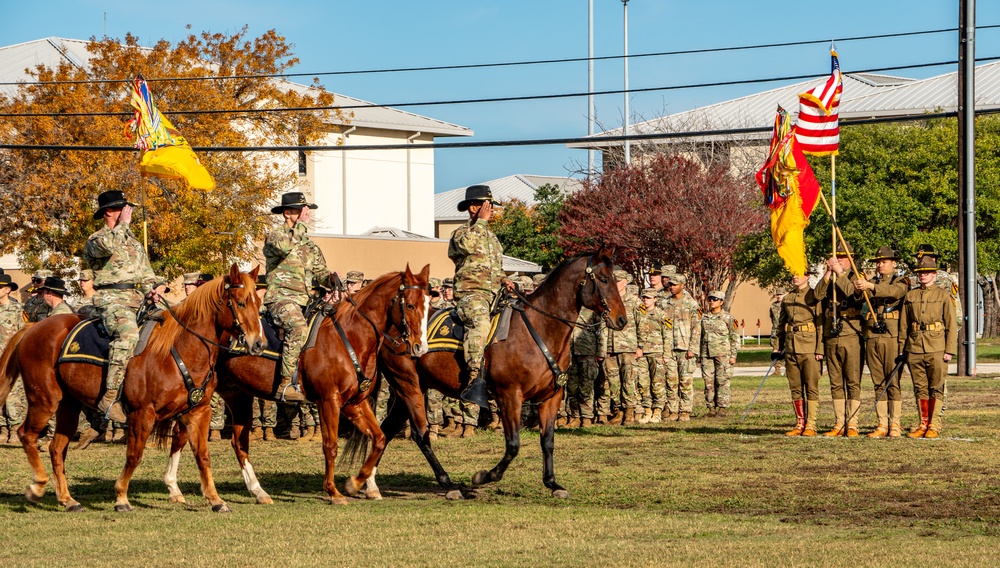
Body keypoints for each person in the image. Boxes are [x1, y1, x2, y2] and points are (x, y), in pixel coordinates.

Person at [83, 190, 158, 423]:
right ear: (109, 212)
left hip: (138, 298)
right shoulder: (96, 239)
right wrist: (123, 225)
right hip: (111, 299)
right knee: (127, 336)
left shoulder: (134, 243)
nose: (128, 213)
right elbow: (109, 246)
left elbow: (146, 274)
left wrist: (154, 289)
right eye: (123, 209)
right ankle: (110, 397)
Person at [447, 184, 513, 408]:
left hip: (495, 294)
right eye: (488, 205)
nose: (492, 209)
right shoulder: (461, 233)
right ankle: (475, 376)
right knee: (481, 322)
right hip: (471, 294)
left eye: (492, 206)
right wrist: (481, 221)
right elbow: (467, 246)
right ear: (474, 207)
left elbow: (496, 267)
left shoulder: (492, 238)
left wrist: (506, 280)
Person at [263, 191, 332, 403]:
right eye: (300, 210)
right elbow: (285, 247)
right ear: (287, 213)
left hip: (306, 301)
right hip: (280, 299)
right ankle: (286, 384)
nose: (305, 214)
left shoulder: (309, 245)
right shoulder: (276, 236)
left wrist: (332, 280)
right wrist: (300, 225)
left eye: (306, 210)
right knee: (299, 328)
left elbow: (321, 272)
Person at [899, 255, 958, 438]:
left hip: (937, 346)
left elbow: (951, 324)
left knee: (936, 387)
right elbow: (904, 325)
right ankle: (923, 423)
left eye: (926, 273)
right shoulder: (911, 296)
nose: (923, 276)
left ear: (934, 274)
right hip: (915, 347)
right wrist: (902, 348)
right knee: (920, 388)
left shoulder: (943, 295)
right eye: (920, 273)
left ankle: (934, 424)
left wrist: (949, 350)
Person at [853, 246, 909, 437]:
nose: (880, 265)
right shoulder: (871, 282)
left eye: (884, 262)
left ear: (893, 263)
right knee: (878, 382)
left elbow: (894, 293)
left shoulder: (901, 280)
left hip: (891, 336)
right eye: (877, 262)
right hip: (872, 335)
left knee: (892, 381)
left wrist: (871, 287)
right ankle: (882, 423)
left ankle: (895, 424)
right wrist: (859, 288)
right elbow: (859, 298)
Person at [813, 242, 865, 437]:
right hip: (831, 334)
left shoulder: (857, 277)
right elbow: (816, 295)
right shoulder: (830, 278)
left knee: (852, 381)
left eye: (843, 257)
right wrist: (828, 272)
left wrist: (840, 273)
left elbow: (854, 293)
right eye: (837, 257)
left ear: (850, 259)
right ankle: (839, 423)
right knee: (835, 382)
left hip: (851, 333)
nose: (839, 260)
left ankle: (852, 423)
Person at [773, 273, 824, 436]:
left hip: (809, 347)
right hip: (790, 347)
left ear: (807, 276)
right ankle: (800, 423)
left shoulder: (814, 296)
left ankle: (811, 424)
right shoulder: (788, 299)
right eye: (793, 274)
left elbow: (820, 324)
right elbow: (780, 325)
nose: (795, 277)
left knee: (811, 387)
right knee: (795, 387)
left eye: (799, 274)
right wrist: (777, 348)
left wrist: (820, 349)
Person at [597, 270, 640, 424]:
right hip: (609, 347)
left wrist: (640, 346)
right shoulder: (607, 300)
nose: (616, 283)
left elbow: (643, 325)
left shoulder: (634, 301)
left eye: (619, 280)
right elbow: (601, 326)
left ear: (626, 282)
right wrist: (602, 349)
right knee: (613, 382)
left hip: (628, 346)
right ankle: (618, 411)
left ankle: (629, 412)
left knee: (628, 380)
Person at [663, 273, 701, 421]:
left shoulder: (691, 304)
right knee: (671, 381)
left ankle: (685, 410)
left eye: (674, 284)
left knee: (685, 381)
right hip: (669, 348)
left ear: (682, 285)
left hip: (685, 349)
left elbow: (697, 329)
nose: (671, 287)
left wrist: (693, 348)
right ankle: (673, 411)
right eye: (670, 284)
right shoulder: (665, 304)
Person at [699, 290, 738, 417]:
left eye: (715, 299)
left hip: (723, 354)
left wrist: (733, 355)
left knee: (722, 381)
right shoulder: (704, 318)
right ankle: (711, 408)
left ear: (721, 302)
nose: (711, 301)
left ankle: (722, 408)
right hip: (706, 354)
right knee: (708, 382)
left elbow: (734, 337)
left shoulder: (728, 318)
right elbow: (700, 336)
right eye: (710, 299)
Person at [634, 288, 668, 423]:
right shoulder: (638, 313)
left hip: (657, 352)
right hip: (641, 353)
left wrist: (666, 354)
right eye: (644, 298)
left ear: (655, 299)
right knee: (643, 382)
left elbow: (667, 336)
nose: (645, 300)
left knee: (657, 383)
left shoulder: (662, 315)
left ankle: (658, 411)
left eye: (648, 298)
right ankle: (647, 410)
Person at [0, 274, 25, 443]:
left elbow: (24, 333)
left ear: (7, 290)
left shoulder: (17, 309)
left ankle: (15, 428)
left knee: (13, 393)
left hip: (10, 358)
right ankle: (2, 428)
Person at [768, 288, 787, 376]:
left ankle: (788, 369)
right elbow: (772, 318)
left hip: (786, 329)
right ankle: (777, 369)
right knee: (775, 350)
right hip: (776, 330)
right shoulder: (773, 306)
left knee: (788, 349)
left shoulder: (787, 304)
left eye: (781, 295)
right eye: (777, 295)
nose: (779, 296)